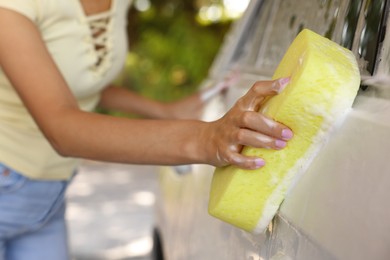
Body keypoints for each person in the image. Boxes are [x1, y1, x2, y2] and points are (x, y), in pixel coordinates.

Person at [0, 1, 293, 259]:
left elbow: (78, 80)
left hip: (48, 196)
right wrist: (207, 139)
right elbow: (62, 129)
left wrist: (164, 110)